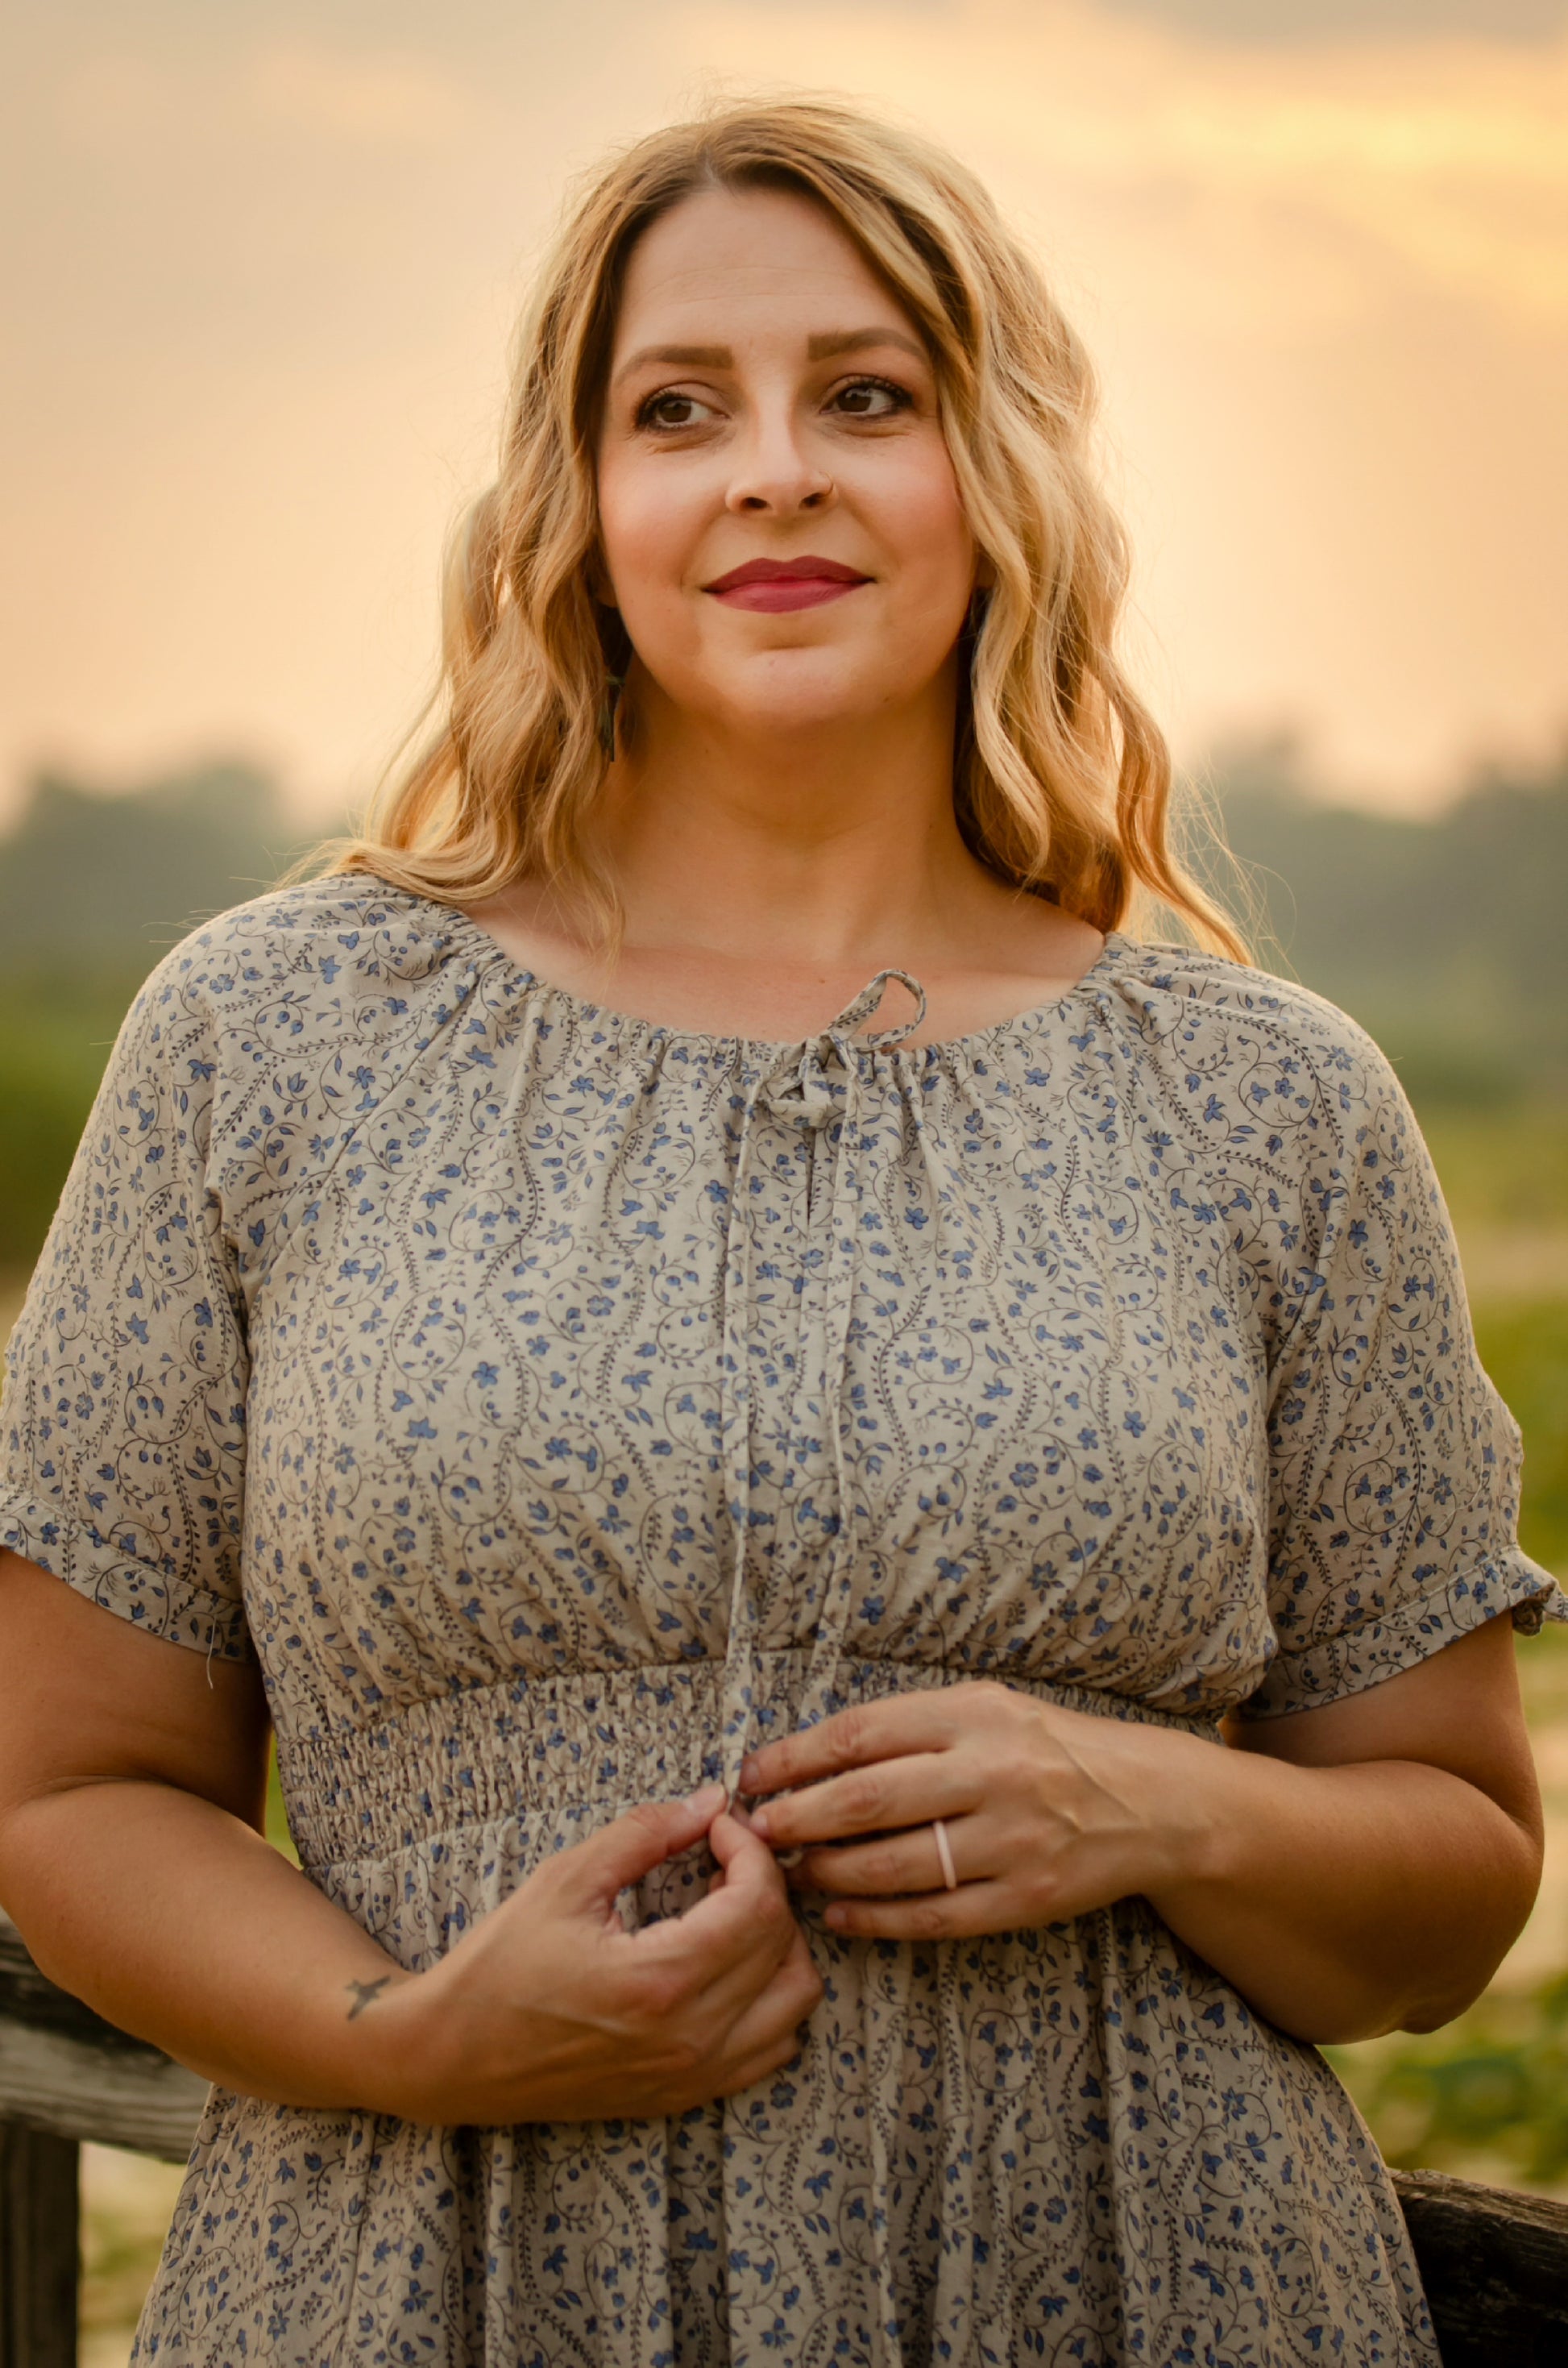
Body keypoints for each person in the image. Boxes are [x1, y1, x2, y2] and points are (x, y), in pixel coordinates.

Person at [0, 95, 1558, 2368]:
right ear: (575, 503)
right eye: (676, 409)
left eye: (867, 395)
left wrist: (1150, 1798)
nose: (772, 472)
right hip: (429, 2287)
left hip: (1145, 2288)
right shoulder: (273, 1041)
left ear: (998, 471)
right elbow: (72, 1786)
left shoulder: (1269, 1104)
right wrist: (413, 2035)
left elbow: (1447, 1887)